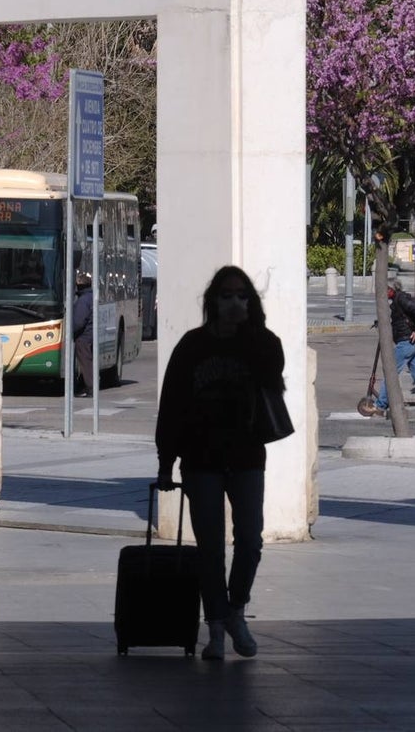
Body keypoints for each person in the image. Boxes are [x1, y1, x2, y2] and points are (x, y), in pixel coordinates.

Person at [155, 265, 285, 661]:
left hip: (247, 456)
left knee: (250, 539)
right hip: (201, 458)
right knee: (210, 547)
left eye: (242, 296)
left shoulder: (263, 342)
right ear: (212, 300)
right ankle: (214, 629)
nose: (234, 302)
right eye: (226, 296)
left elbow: (273, 376)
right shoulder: (192, 347)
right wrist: (166, 462)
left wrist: (249, 333)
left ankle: (236, 610)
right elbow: (171, 406)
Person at [365, 279, 415, 416]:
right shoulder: (397, 301)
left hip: (406, 342)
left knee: (391, 372)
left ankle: (380, 405)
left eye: (385, 290)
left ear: (391, 289)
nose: (383, 293)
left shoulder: (401, 298)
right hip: (411, 343)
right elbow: (401, 319)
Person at [72, 271, 95, 397]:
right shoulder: (91, 297)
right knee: (87, 362)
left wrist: (71, 332)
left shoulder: (83, 300)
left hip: (83, 336)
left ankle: (90, 387)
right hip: (90, 335)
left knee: (85, 362)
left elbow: (79, 321)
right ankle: (84, 386)